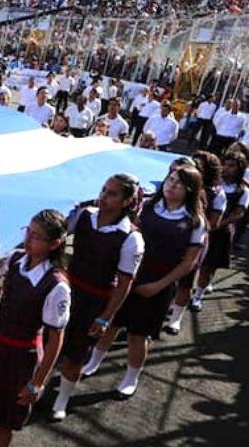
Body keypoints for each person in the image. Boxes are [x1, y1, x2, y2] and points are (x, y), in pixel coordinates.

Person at [82, 167, 205, 398]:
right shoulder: (149, 206)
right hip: (131, 274)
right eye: (170, 180)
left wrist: (159, 285)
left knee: (138, 334)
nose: (171, 185)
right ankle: (93, 361)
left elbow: (189, 262)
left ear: (190, 190)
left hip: (158, 283)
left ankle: (131, 377)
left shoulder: (195, 221)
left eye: (178, 183)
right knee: (111, 321)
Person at [50, 173, 143, 421]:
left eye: (112, 193)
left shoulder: (131, 238)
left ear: (126, 201)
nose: (104, 196)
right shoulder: (84, 215)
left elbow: (124, 283)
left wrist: (105, 317)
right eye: (104, 189)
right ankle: (39, 384)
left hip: (95, 300)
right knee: (49, 341)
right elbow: (56, 235)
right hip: (67, 290)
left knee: (75, 354)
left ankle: (62, 399)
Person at [0, 210, 70, 447]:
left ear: (55, 244)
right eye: (28, 232)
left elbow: (55, 339)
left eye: (37, 237)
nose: (28, 240)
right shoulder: (15, 259)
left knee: (5, 420)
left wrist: (37, 381)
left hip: (21, 359)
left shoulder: (57, 286)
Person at [164, 151, 222, 334]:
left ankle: (176, 319)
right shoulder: (164, 191)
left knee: (185, 282)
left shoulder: (206, 196)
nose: (173, 181)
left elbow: (210, 223)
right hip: (166, 242)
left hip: (191, 244)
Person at [191, 151, 247, 311]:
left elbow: (239, 213)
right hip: (203, 227)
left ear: (240, 169)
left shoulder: (243, 191)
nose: (226, 168)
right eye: (225, 164)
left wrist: (220, 223)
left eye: (232, 166)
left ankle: (198, 297)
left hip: (221, 232)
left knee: (209, 266)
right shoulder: (214, 185)